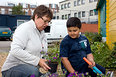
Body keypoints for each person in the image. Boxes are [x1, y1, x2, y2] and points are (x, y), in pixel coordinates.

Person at [1, 5, 53, 77]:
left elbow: (42, 53)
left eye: (48, 22)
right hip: (11, 69)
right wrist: (38, 61)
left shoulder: (42, 33)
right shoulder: (25, 28)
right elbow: (15, 50)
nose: (47, 24)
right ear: (36, 16)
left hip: (30, 70)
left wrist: (46, 62)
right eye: (45, 21)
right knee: (33, 72)